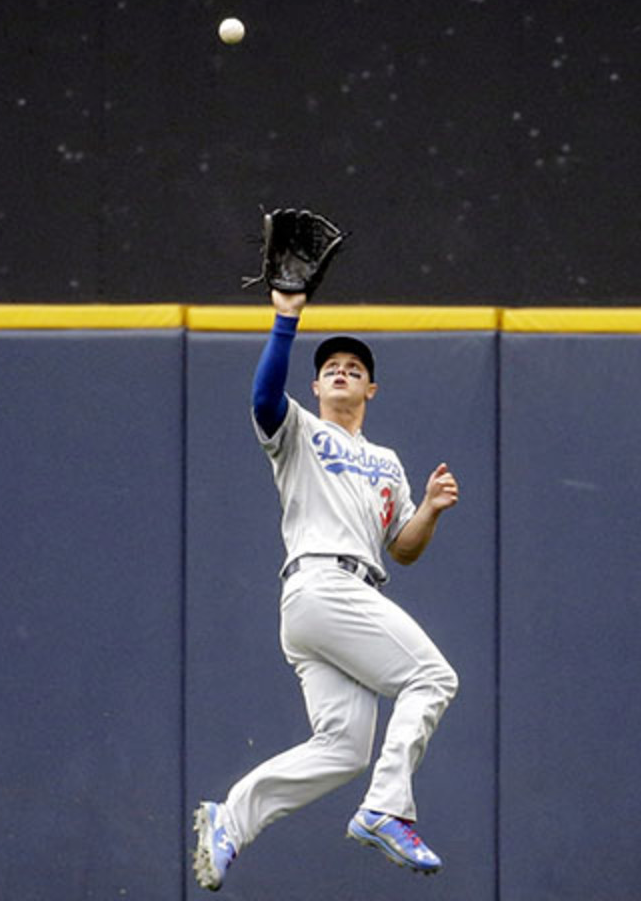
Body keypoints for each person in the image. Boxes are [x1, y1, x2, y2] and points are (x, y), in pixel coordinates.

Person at [192, 288, 461, 891]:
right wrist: (287, 317)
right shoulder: (301, 432)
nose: (342, 371)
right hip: (321, 582)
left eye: (355, 369)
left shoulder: (388, 462)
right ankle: (387, 809)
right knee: (433, 678)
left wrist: (431, 511)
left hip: (342, 594)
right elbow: (264, 398)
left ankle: (231, 819)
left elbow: (403, 549)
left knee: (343, 748)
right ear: (315, 388)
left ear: (371, 391)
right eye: (331, 369)